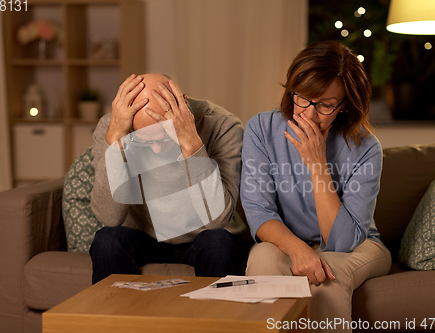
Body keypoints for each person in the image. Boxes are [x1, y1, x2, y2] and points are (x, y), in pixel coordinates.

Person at [241, 41, 391, 332]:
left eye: (324, 105)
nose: (309, 114)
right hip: (287, 240)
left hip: (361, 245)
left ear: (344, 105)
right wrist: (299, 250)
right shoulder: (261, 129)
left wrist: (317, 164)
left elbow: (342, 243)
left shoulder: (366, 147)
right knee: (262, 258)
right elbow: (258, 212)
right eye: (303, 98)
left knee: (326, 272)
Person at [89, 73, 245, 284]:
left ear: (184, 104)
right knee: (107, 240)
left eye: (164, 137)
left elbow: (217, 220)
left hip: (205, 236)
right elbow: (110, 218)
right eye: (144, 141)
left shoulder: (222, 125)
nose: (156, 148)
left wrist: (190, 142)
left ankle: (216, 317)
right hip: (143, 238)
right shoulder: (112, 127)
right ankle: (113, 317)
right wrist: (116, 140)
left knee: (219, 243)